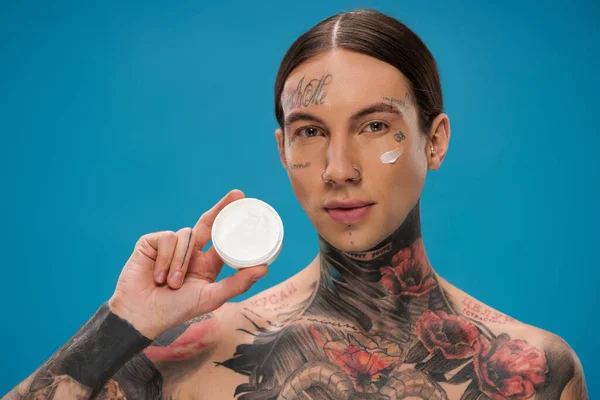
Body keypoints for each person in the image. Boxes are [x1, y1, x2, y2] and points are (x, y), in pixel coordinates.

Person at [3, 9, 588, 400]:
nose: (339, 169)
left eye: (375, 125)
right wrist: (123, 321)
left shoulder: (534, 369)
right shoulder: (194, 355)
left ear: (433, 141)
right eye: (309, 132)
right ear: (283, 149)